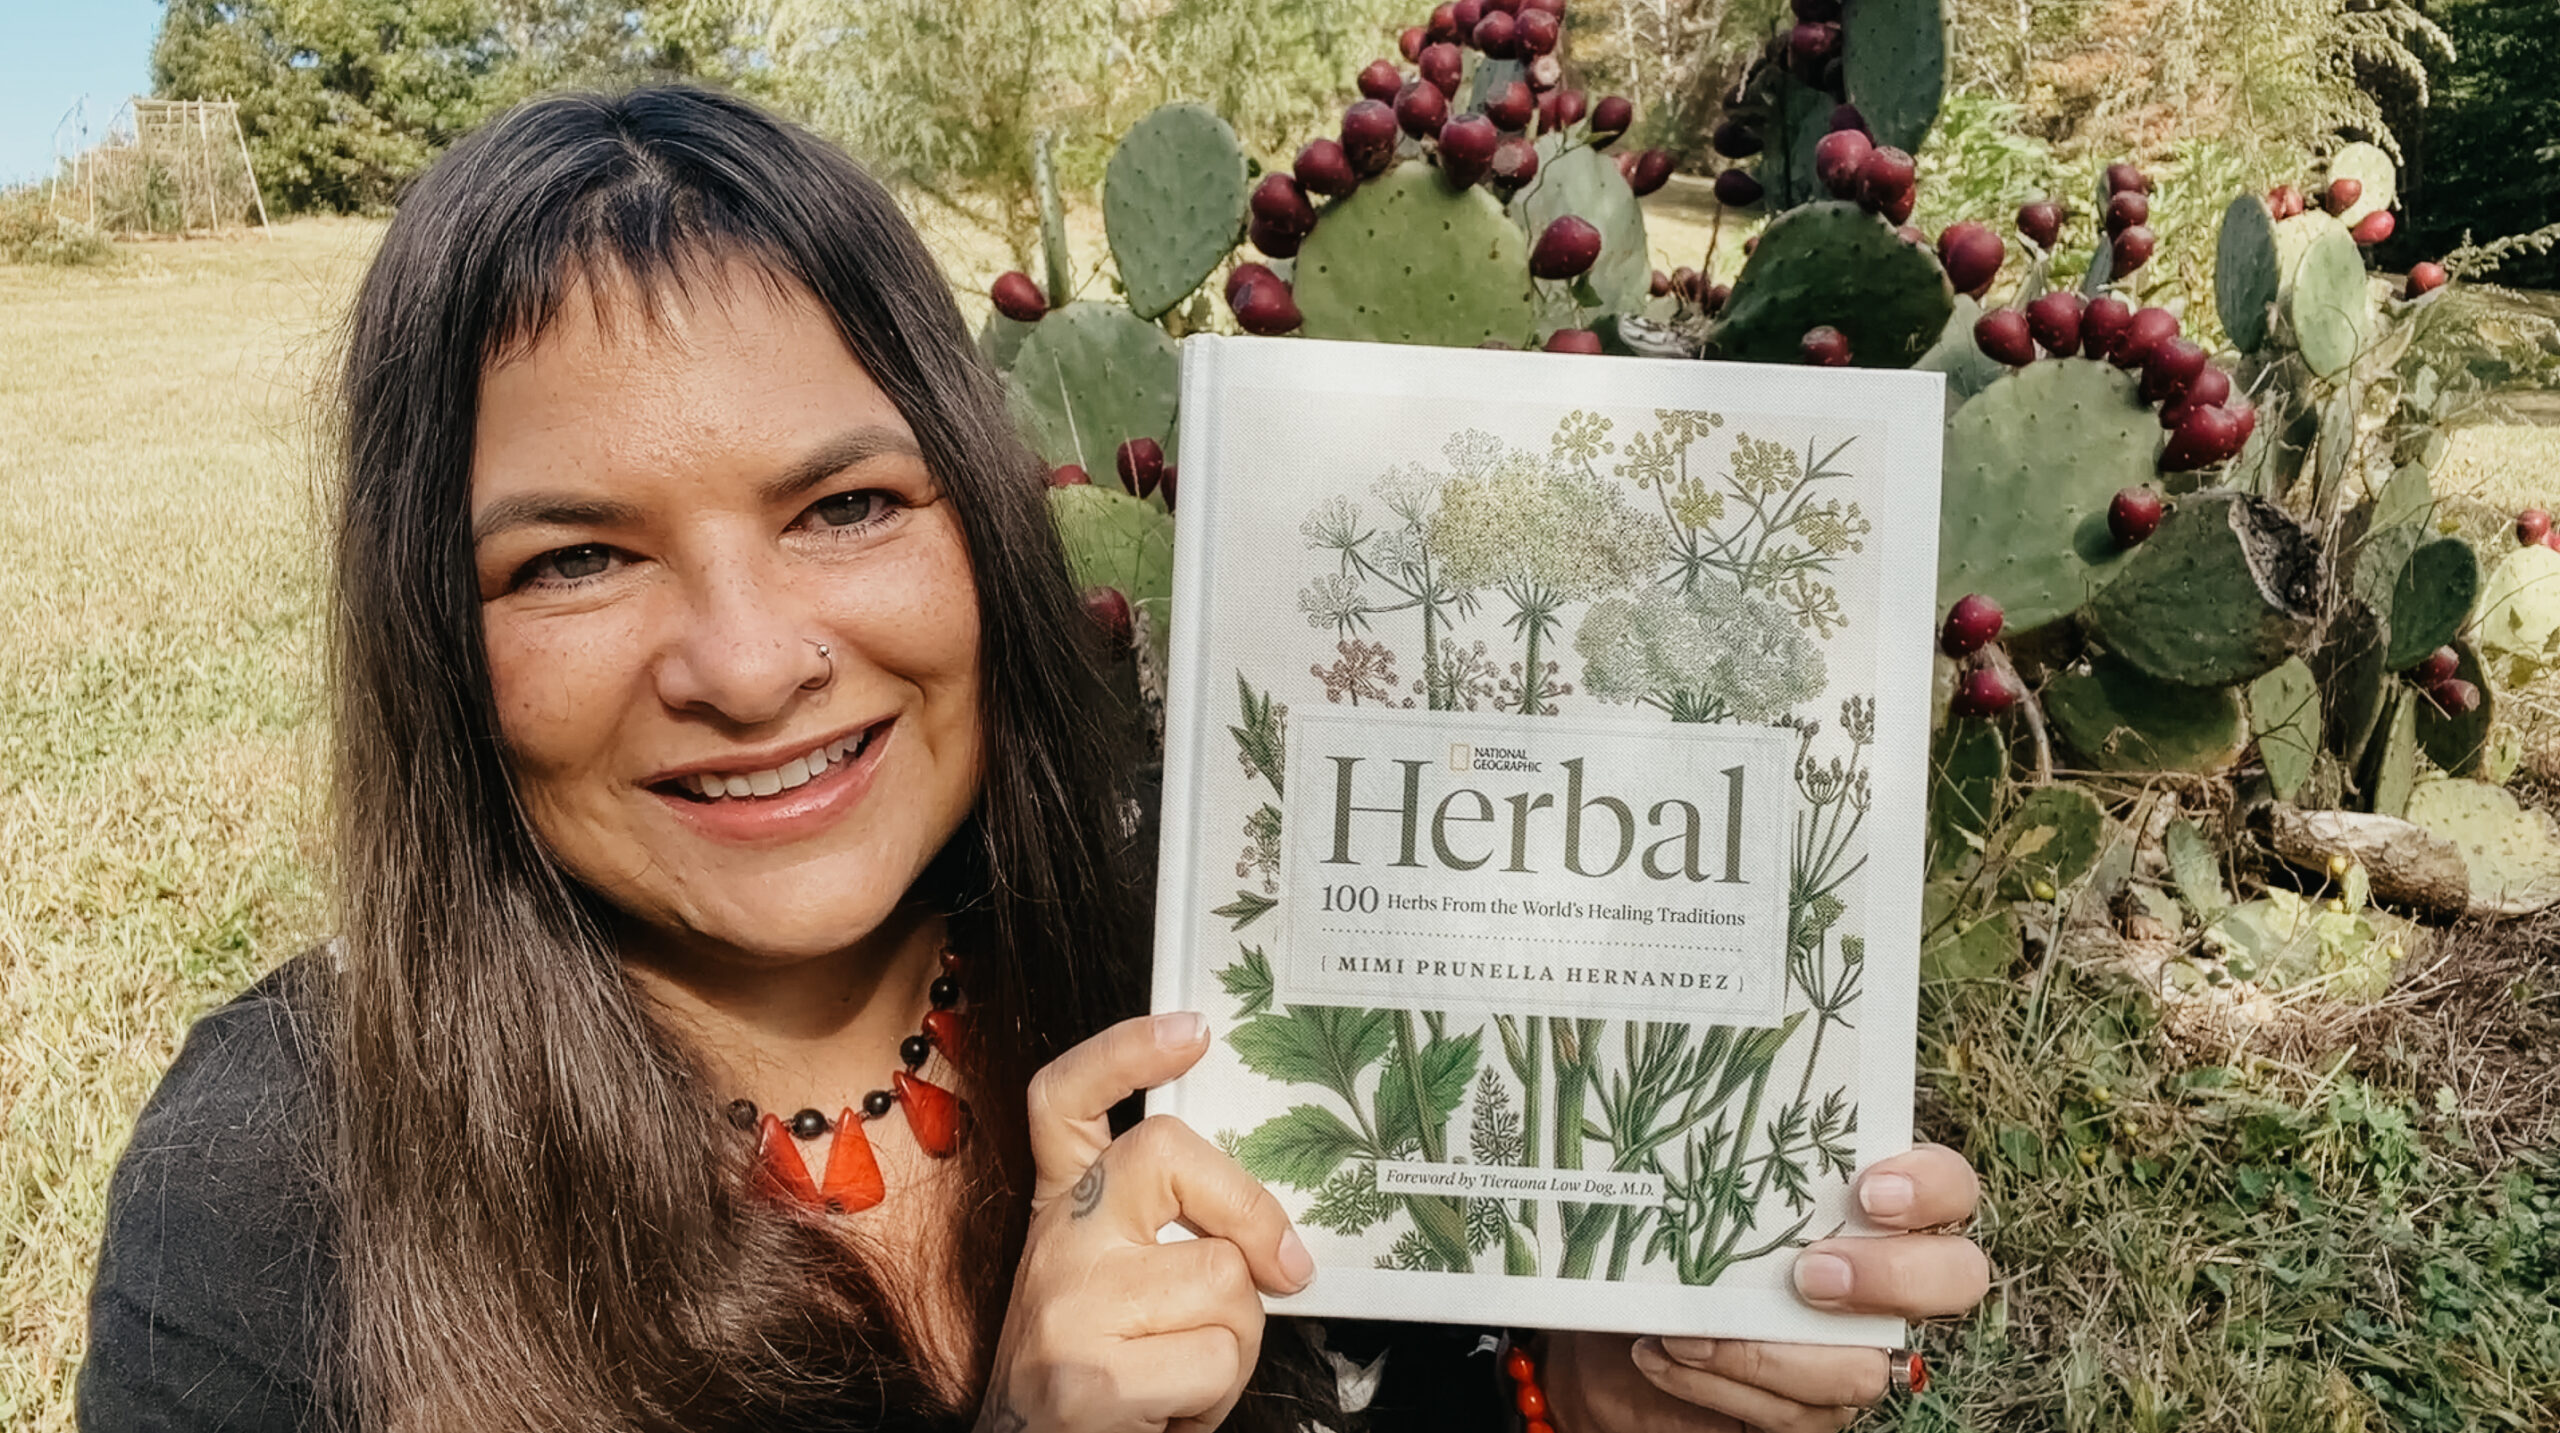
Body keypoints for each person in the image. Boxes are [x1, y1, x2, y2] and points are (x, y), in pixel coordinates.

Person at [78, 85, 1987, 1433]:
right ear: (434, 625)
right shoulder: (284, 1192)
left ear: (980, 521)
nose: (750, 664)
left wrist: (1598, 1395)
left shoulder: (1233, 906)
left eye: (842, 505)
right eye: (573, 558)